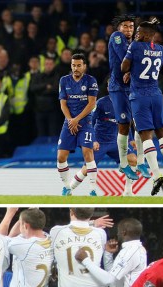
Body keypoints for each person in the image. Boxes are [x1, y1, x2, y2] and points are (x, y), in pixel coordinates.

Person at [121, 20, 163, 196]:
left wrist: (130, 69)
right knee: (162, 132)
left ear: (149, 34)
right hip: (156, 94)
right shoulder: (162, 50)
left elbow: (123, 67)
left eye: (139, 32)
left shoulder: (134, 47)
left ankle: (157, 175)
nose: (136, 34)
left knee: (146, 135)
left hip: (139, 96)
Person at [69, 92, 138, 196]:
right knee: (87, 169)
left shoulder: (125, 103)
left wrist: (131, 139)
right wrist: (94, 140)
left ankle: (128, 191)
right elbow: (89, 122)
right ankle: (68, 189)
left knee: (133, 160)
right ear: (108, 88)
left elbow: (126, 123)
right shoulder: (101, 103)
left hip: (116, 142)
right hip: (100, 142)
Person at [107, 14, 146, 182]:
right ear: (119, 28)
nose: (128, 29)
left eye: (131, 26)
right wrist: (130, 69)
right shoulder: (116, 37)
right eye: (125, 26)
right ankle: (123, 163)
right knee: (124, 125)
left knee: (140, 125)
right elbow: (125, 56)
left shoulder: (134, 42)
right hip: (118, 88)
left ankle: (141, 162)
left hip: (132, 88)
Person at [57, 53, 99, 196]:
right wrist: (71, 120)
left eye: (79, 65)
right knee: (61, 157)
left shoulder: (91, 81)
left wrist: (77, 119)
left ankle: (93, 190)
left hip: (86, 122)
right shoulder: (64, 80)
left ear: (84, 66)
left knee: (88, 153)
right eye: (73, 65)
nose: (76, 68)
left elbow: (92, 103)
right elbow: (63, 104)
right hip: (69, 122)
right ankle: (67, 188)